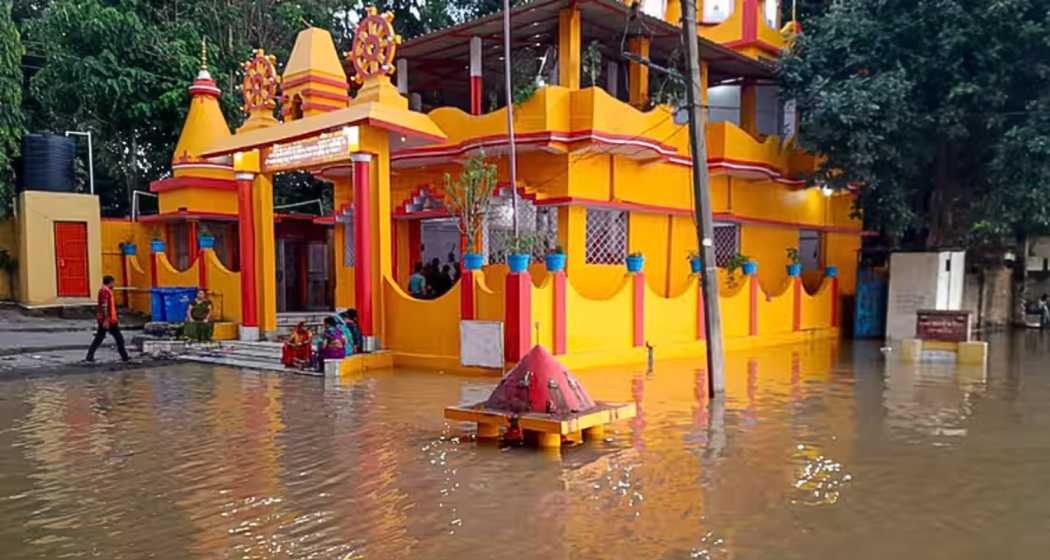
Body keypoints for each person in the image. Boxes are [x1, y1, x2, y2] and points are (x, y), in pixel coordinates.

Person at [85, 275, 130, 362]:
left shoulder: (105, 291)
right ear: (110, 282)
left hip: (108, 319)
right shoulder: (105, 291)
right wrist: (106, 319)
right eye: (113, 283)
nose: (114, 284)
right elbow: (104, 305)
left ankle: (89, 356)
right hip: (108, 320)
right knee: (118, 338)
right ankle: (125, 357)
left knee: (100, 338)